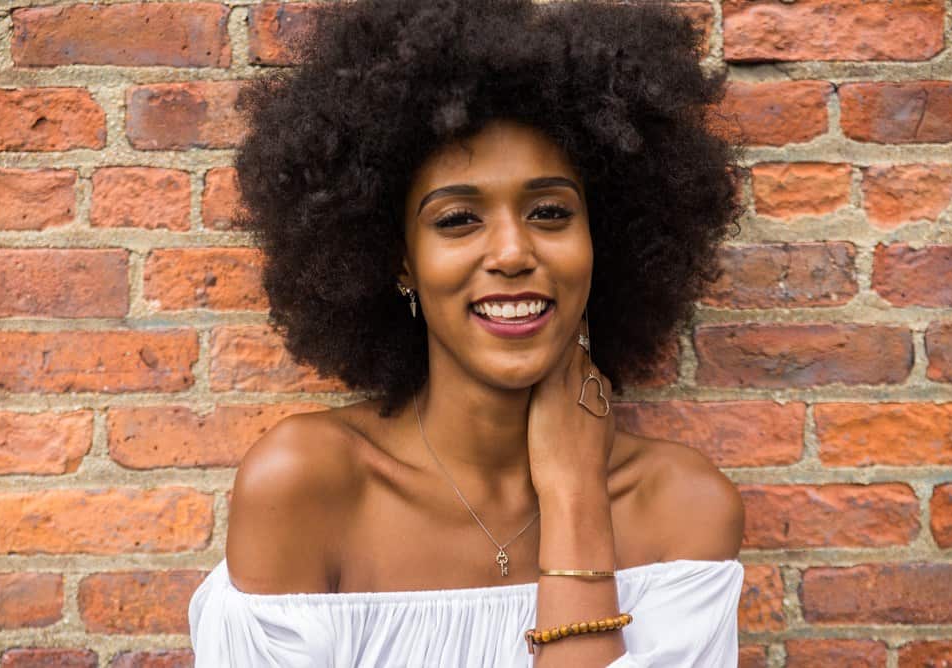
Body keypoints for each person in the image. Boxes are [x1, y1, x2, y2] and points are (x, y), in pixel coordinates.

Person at [188, 0, 747, 665]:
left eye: (549, 211)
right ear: (400, 261)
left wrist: (574, 499)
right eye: (457, 220)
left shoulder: (683, 510)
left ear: (604, 241)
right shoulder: (306, 488)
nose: (511, 253)